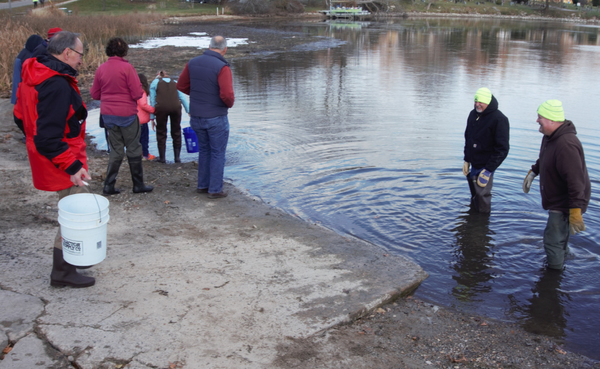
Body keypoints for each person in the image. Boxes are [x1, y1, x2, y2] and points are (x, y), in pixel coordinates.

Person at [13, 31, 95, 288]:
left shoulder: (35, 73)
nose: (82, 60)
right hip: (61, 158)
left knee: (72, 211)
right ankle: (62, 271)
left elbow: (19, 116)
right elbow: (47, 137)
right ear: (67, 52)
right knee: (76, 214)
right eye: (80, 54)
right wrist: (72, 165)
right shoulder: (56, 83)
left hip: (51, 155)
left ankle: (73, 259)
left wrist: (35, 137)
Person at [523, 100, 591, 270]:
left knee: (552, 241)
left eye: (540, 117)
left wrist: (575, 210)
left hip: (565, 201)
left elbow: (576, 181)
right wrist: (534, 172)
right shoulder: (550, 137)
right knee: (559, 238)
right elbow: (546, 157)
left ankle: (553, 278)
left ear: (552, 120)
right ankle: (564, 258)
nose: (537, 120)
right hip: (560, 198)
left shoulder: (566, 144)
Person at [90, 37, 153, 196]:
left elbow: (94, 94)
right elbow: (137, 93)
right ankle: (138, 185)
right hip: (127, 115)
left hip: (108, 116)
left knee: (116, 150)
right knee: (133, 148)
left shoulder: (101, 69)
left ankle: (109, 186)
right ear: (124, 51)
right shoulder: (128, 68)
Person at [177, 35, 234, 199]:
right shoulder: (223, 67)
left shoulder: (192, 62)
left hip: (196, 115)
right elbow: (227, 95)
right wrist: (228, 104)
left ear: (209, 46)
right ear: (225, 49)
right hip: (216, 116)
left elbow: (181, 85)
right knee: (217, 153)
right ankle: (215, 189)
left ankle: (203, 185)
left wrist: (198, 95)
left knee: (204, 151)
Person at [462, 87, 510, 213]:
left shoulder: (499, 119)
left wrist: (488, 170)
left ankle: (482, 225)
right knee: (475, 196)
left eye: (481, 102)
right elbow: (468, 138)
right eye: (476, 101)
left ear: (488, 103)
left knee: (482, 197)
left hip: (486, 166)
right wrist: (467, 160)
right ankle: (472, 221)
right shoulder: (473, 114)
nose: (477, 104)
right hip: (473, 163)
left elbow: (503, 149)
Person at [149, 70, 190, 163]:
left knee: (161, 132)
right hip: (176, 107)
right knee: (176, 131)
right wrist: (189, 111)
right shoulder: (175, 82)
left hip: (161, 108)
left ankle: (162, 158)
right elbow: (182, 97)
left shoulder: (155, 83)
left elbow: (152, 101)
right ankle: (177, 158)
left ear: (157, 75)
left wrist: (152, 117)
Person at [11, 34, 44, 137]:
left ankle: (29, 135)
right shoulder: (37, 56)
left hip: (23, 90)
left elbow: (16, 79)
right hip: (31, 90)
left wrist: (15, 98)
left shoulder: (21, 56)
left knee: (24, 115)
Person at [137, 73, 156, 161]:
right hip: (141, 120)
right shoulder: (141, 91)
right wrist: (153, 110)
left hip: (134, 119)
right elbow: (143, 104)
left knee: (137, 139)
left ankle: (140, 153)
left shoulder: (133, 90)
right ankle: (145, 155)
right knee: (144, 139)